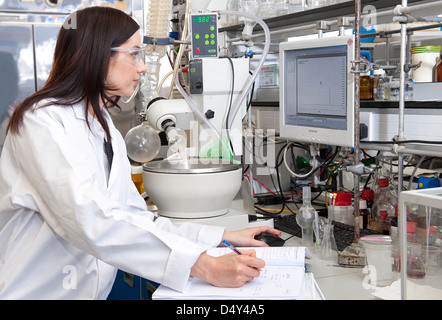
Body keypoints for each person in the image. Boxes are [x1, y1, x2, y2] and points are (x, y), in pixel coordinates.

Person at [0, 6, 281, 299]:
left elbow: (132, 216)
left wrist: (217, 237)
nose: (142, 66)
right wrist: (203, 266)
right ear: (96, 53)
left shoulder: (101, 124)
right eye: (134, 54)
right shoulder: (40, 122)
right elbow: (91, 221)